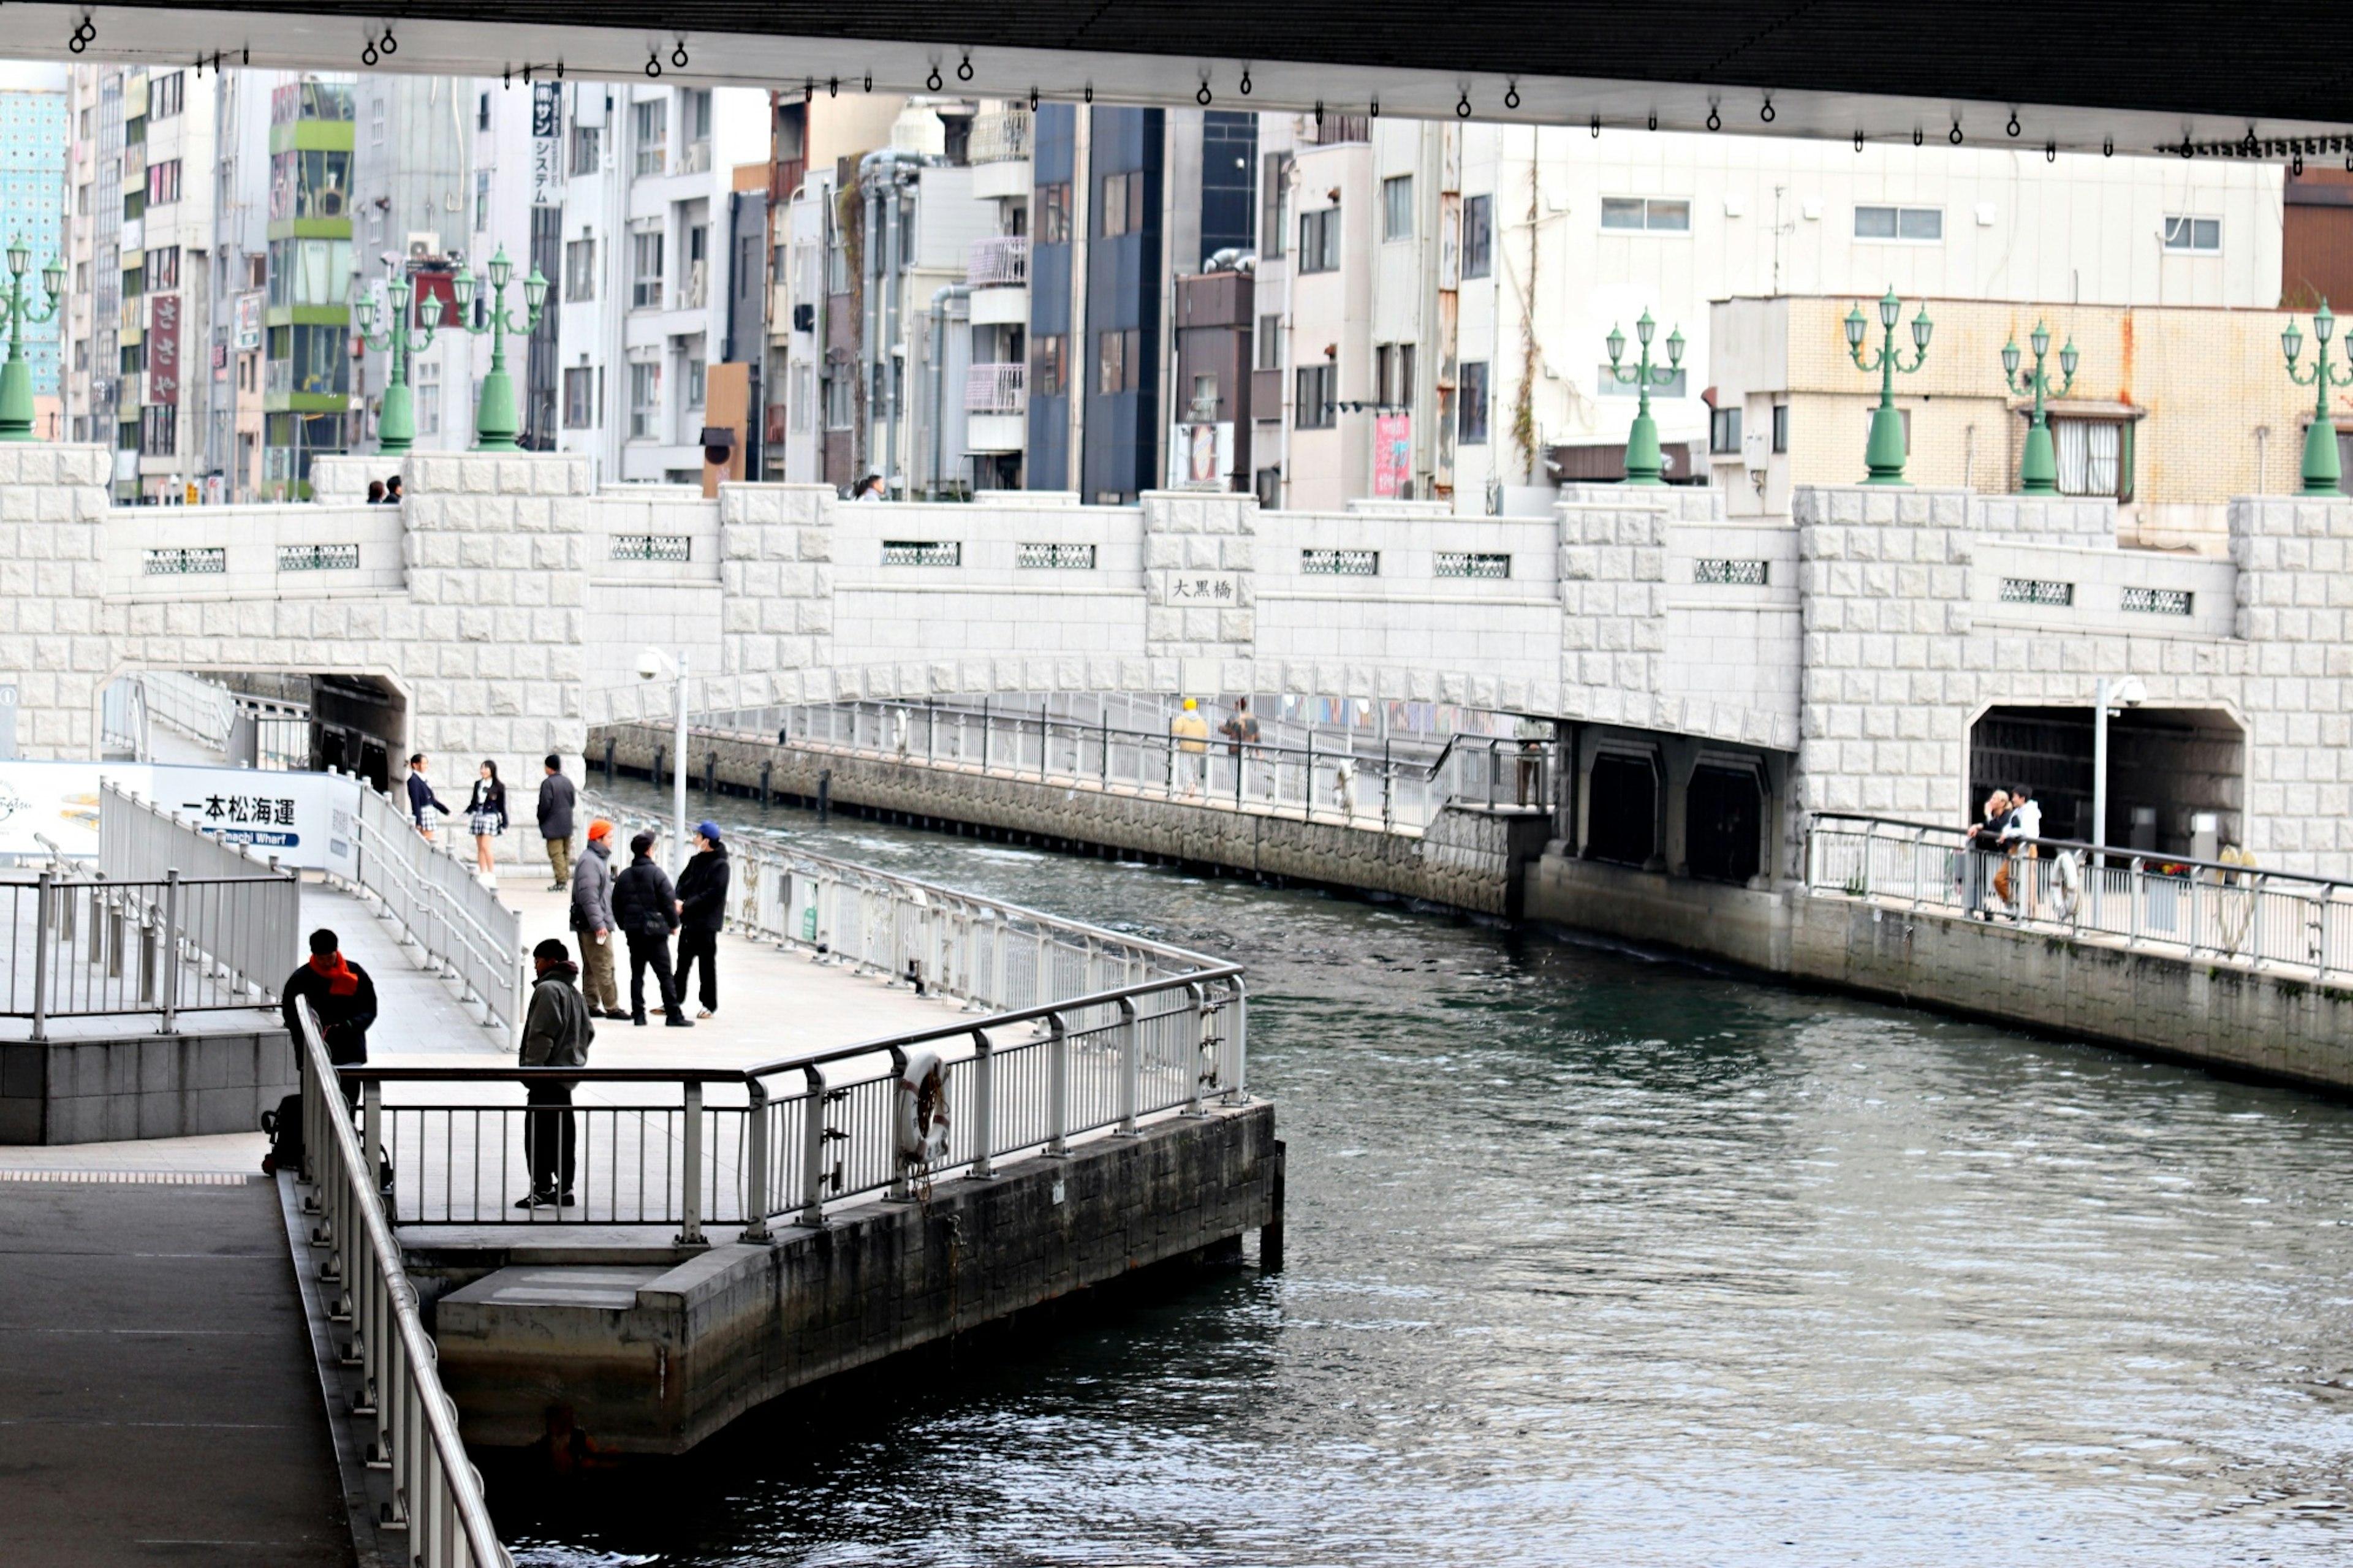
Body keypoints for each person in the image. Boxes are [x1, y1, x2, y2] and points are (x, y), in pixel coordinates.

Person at [515, 937, 594, 1211]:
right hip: (565, 1079)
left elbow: (541, 1034)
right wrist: (574, 1058)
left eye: (537, 961)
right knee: (563, 1134)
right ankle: (565, 1188)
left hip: (545, 1077)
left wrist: (532, 1070)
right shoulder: (575, 993)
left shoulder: (548, 990)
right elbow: (589, 1032)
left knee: (538, 1134)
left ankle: (542, 1187)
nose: (535, 966)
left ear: (550, 962)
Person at [281, 928, 379, 1104]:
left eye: (330, 957)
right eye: (321, 958)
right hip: (314, 1054)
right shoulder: (301, 979)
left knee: (348, 1105)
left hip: (349, 1053)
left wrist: (351, 1026)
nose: (326, 963)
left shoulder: (355, 973)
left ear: (337, 951)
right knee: (314, 1106)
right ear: (313, 955)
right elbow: (291, 1015)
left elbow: (369, 1008)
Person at [611, 830, 692, 1028]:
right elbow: (668, 902)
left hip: (634, 932)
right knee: (664, 974)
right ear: (649, 851)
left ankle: (639, 1014)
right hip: (655, 933)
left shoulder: (624, 876)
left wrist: (624, 924)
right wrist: (674, 925)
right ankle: (673, 1014)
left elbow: (616, 904)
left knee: (637, 973)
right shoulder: (657, 875)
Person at [569, 819, 627, 1019]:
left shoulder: (593, 859)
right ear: (599, 838)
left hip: (591, 922)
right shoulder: (591, 862)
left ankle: (591, 1004)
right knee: (604, 964)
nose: (612, 841)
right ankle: (612, 1006)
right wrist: (599, 924)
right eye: (610, 837)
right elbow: (589, 896)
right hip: (594, 924)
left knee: (593, 966)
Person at [673, 821, 730, 1019]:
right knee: (682, 963)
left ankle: (709, 1005)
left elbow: (713, 895)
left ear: (706, 841)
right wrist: (678, 898)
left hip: (706, 924)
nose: (694, 839)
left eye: (697, 836)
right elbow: (683, 882)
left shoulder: (721, 866)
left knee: (706, 965)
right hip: (690, 921)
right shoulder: (696, 860)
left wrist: (686, 905)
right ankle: (674, 1000)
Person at [1965, 789, 2011, 918]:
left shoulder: (2008, 815)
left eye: (1995, 799)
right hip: (2002, 852)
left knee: (2002, 880)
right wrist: (1977, 826)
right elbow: (1988, 825)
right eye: (1992, 798)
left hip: (2013, 852)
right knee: (2001, 880)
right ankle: (2011, 906)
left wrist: (1987, 814)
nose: (1991, 801)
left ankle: (2014, 906)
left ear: (2002, 803)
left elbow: (1996, 827)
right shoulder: (1996, 815)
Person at [2000, 783, 2044, 919]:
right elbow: (2008, 826)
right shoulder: (2017, 811)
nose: (2012, 800)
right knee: (2009, 879)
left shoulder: (2029, 812)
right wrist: (2006, 833)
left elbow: (2026, 831)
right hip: (2016, 847)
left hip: (2028, 848)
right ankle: (2016, 906)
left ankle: (2030, 913)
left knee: (2028, 881)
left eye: (2014, 797)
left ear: (2022, 798)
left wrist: (2008, 834)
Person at [537, 754, 577, 892]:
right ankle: (565, 878)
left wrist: (541, 819)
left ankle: (561, 882)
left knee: (556, 853)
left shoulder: (548, 784)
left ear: (549, 767)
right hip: (567, 822)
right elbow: (572, 802)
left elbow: (545, 805)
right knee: (566, 853)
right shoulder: (567, 782)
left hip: (553, 824)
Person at [465, 760, 508, 884]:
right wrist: (466, 813)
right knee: (480, 847)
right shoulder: (478, 784)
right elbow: (473, 802)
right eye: (482, 768)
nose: (483, 771)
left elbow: (502, 806)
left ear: (492, 771)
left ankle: (491, 872)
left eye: (486, 768)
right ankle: (483, 872)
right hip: (479, 814)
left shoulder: (499, 786)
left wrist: (505, 823)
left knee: (486, 846)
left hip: (490, 816)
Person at [1219, 697, 1261, 797]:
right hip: (1248, 748)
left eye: (1235, 705)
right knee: (1244, 769)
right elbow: (1257, 735)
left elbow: (1229, 730)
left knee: (1234, 770)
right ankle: (1243, 789)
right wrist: (1258, 751)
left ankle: (1238, 787)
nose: (1234, 707)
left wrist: (1220, 728)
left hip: (1235, 748)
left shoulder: (1234, 717)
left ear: (1238, 706)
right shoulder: (1253, 718)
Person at [406, 753, 451, 841]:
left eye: (427, 763)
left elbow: (432, 800)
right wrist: (418, 822)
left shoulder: (423, 779)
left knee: (428, 841)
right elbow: (415, 802)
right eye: (423, 764)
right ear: (415, 765)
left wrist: (445, 810)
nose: (426, 766)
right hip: (423, 813)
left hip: (429, 812)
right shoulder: (414, 780)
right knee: (426, 842)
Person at [1170, 697, 1210, 796]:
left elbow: (1175, 731)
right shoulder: (1201, 721)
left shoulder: (1182, 719)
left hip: (1185, 747)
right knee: (1195, 768)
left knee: (1185, 768)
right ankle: (1188, 787)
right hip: (1199, 749)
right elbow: (1206, 735)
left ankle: (1190, 784)